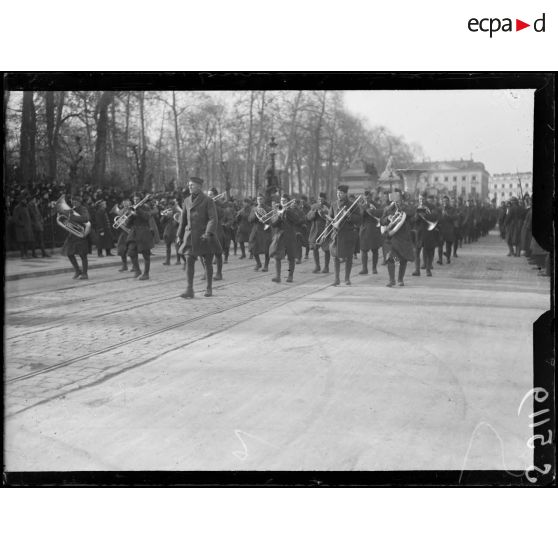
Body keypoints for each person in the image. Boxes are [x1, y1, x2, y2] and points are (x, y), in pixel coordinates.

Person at [177, 177, 220, 298]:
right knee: (189, 260)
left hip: (204, 236)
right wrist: (179, 235)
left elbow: (213, 219)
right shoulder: (186, 201)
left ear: (199, 187)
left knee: (207, 262)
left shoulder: (208, 200)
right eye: (189, 185)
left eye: (192, 185)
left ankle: (209, 288)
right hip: (190, 236)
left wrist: (208, 233)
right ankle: (189, 289)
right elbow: (183, 220)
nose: (189, 186)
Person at [328, 184, 362, 286]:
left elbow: (359, 219)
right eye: (337, 193)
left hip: (348, 234)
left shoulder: (352, 204)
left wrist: (349, 216)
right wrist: (326, 234)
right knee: (335, 257)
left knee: (348, 257)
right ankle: (336, 279)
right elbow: (329, 219)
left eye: (341, 193)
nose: (338, 195)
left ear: (346, 194)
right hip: (336, 234)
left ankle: (347, 278)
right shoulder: (334, 204)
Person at [269, 194, 300, 283]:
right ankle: (278, 276)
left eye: (285, 201)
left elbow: (297, 220)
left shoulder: (292, 210)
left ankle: (290, 276)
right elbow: (273, 223)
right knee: (277, 257)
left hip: (290, 237)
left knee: (291, 258)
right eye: (282, 201)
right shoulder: (277, 211)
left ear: (288, 202)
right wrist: (279, 215)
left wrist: (287, 212)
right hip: (279, 237)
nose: (283, 202)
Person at [61, 191, 91, 280]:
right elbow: (66, 220)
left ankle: (85, 274)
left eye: (76, 201)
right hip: (72, 234)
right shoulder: (71, 210)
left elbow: (86, 218)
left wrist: (72, 217)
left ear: (79, 202)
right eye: (73, 201)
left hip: (81, 234)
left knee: (83, 255)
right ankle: (77, 270)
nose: (74, 203)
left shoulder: (83, 209)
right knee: (69, 253)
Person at [127, 193, 154, 280]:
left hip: (144, 232)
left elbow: (147, 217)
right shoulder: (132, 208)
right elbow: (128, 224)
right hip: (134, 233)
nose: (135, 201)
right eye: (134, 200)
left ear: (141, 200)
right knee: (131, 252)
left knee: (146, 254)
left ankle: (146, 274)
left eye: (137, 199)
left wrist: (138, 211)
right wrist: (131, 216)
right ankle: (137, 270)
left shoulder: (145, 207)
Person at [358, 190, 383, 275]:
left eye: (368, 197)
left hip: (374, 229)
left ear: (371, 197)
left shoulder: (376, 204)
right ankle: (364, 268)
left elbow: (381, 213)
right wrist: (364, 210)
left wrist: (372, 211)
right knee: (364, 250)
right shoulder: (361, 205)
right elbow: (358, 217)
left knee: (375, 250)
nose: (366, 199)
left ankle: (374, 268)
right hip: (364, 230)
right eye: (365, 197)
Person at [306, 192, 331, 274]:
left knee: (326, 249)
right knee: (315, 248)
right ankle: (317, 266)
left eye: (322, 199)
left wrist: (324, 212)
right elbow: (308, 217)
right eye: (319, 199)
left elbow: (331, 217)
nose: (320, 200)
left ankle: (326, 267)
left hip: (325, 230)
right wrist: (315, 212)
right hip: (315, 230)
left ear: (325, 199)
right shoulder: (314, 206)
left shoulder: (328, 206)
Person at [248, 193, 271, 272]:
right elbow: (250, 220)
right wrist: (255, 215)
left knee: (266, 249)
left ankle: (266, 266)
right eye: (258, 199)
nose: (259, 200)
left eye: (261, 199)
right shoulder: (254, 209)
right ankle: (258, 263)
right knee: (253, 246)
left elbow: (271, 219)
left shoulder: (268, 208)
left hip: (265, 230)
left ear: (263, 200)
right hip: (256, 229)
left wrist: (265, 219)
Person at [207, 188, 225, 281]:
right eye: (208, 194)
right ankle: (206, 272)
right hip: (206, 229)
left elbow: (221, 214)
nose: (208, 196)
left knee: (217, 253)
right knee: (204, 252)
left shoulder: (219, 204)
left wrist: (213, 204)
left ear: (215, 196)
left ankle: (219, 273)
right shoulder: (205, 204)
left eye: (210, 195)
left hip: (216, 230)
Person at [28, 193, 50, 257]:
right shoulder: (30, 206)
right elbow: (33, 215)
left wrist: (41, 221)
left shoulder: (35, 206)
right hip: (35, 226)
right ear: (32, 200)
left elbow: (39, 215)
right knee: (34, 241)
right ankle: (34, 254)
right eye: (34, 199)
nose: (35, 200)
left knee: (40, 240)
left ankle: (43, 253)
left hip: (38, 225)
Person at [114, 197, 132, 272]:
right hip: (124, 232)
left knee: (132, 250)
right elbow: (118, 219)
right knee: (121, 248)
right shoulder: (121, 211)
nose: (125, 204)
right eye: (124, 203)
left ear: (130, 203)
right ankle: (124, 265)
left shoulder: (132, 210)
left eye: (126, 203)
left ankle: (134, 266)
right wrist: (118, 223)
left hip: (131, 232)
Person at [437, 195, 456, 264]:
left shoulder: (452, 209)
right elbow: (436, 218)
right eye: (443, 201)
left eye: (446, 201)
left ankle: (448, 258)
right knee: (440, 245)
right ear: (442, 201)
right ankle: (440, 259)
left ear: (448, 202)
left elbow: (454, 217)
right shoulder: (439, 209)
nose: (445, 202)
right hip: (441, 229)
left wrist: (447, 215)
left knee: (448, 245)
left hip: (449, 229)